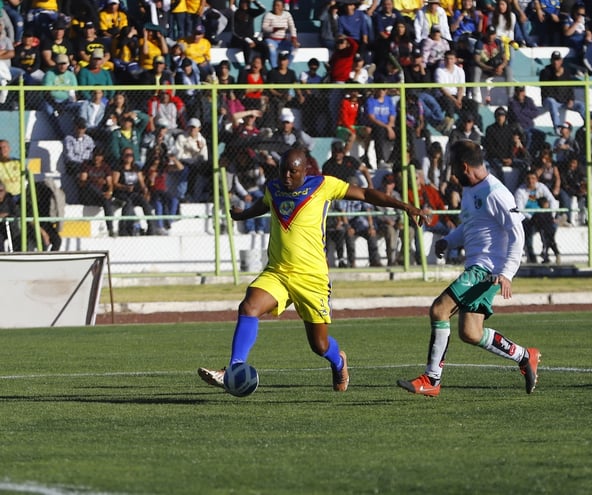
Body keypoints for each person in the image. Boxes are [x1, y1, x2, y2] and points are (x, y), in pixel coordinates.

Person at [198, 147, 426, 393]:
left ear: (305, 171)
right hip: (278, 272)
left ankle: (339, 361)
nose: (286, 176)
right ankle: (233, 368)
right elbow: (264, 204)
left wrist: (405, 207)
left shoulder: (323, 185)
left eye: (292, 172)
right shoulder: (273, 187)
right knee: (249, 306)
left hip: (312, 279)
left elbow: (365, 193)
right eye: (283, 170)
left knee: (319, 345)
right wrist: (243, 215)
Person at [397, 139, 541, 397]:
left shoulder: (496, 192)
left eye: (453, 168)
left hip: (486, 271)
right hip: (478, 268)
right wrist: (449, 240)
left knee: (439, 310)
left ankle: (432, 379)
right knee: (470, 333)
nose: (451, 174)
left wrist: (507, 273)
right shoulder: (472, 191)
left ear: (465, 167)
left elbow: (517, 232)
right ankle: (524, 355)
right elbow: (471, 225)